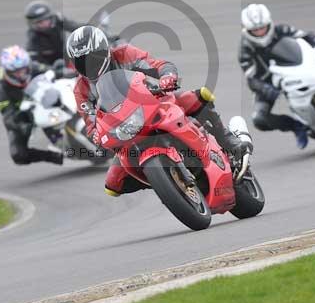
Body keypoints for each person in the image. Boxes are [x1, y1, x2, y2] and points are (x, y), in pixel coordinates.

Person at [66, 25, 251, 196]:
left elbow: (158, 65)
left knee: (197, 97)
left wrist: (167, 77)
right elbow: (91, 124)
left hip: (152, 103)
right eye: (82, 61)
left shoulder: (125, 54)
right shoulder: (81, 89)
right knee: (112, 185)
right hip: (124, 131)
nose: (89, 64)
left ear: (105, 50)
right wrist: (96, 136)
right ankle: (164, 181)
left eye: (93, 57)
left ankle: (228, 139)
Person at [237, 3, 315, 150]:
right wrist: (266, 88)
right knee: (259, 119)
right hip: (269, 82)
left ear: (269, 23)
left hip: (295, 67)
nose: (260, 32)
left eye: (262, 27)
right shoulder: (244, 49)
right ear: (247, 30)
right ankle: (296, 126)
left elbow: (304, 36)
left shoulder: (281, 29)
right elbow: (251, 78)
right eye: (255, 30)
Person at [0, 45, 74, 166]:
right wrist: (21, 125)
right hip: (24, 116)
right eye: (17, 72)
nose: (22, 74)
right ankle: (54, 156)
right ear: (8, 72)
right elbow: (8, 117)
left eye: (24, 69)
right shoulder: (1, 93)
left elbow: (50, 70)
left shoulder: (32, 67)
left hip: (45, 100)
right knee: (18, 155)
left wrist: (64, 71)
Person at [24, 0, 85, 66]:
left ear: (50, 17)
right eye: (40, 22)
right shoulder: (33, 41)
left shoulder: (58, 20)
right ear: (33, 24)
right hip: (52, 68)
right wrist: (53, 70)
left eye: (46, 19)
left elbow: (77, 27)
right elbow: (36, 64)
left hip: (67, 56)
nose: (45, 23)